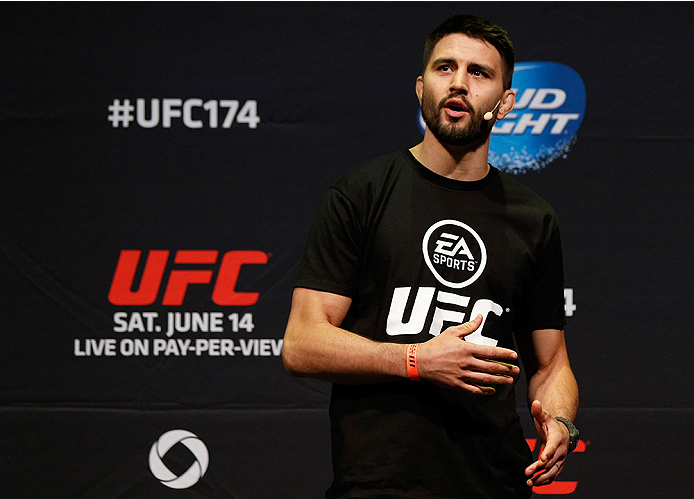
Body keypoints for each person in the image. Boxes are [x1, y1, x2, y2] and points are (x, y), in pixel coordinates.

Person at [282, 14, 579, 499]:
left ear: (504, 104)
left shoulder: (533, 218)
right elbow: (302, 342)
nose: (459, 83)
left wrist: (562, 418)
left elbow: (550, 366)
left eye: (479, 73)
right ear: (421, 87)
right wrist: (417, 359)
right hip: (380, 484)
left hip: (496, 482)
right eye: (445, 68)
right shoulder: (361, 194)